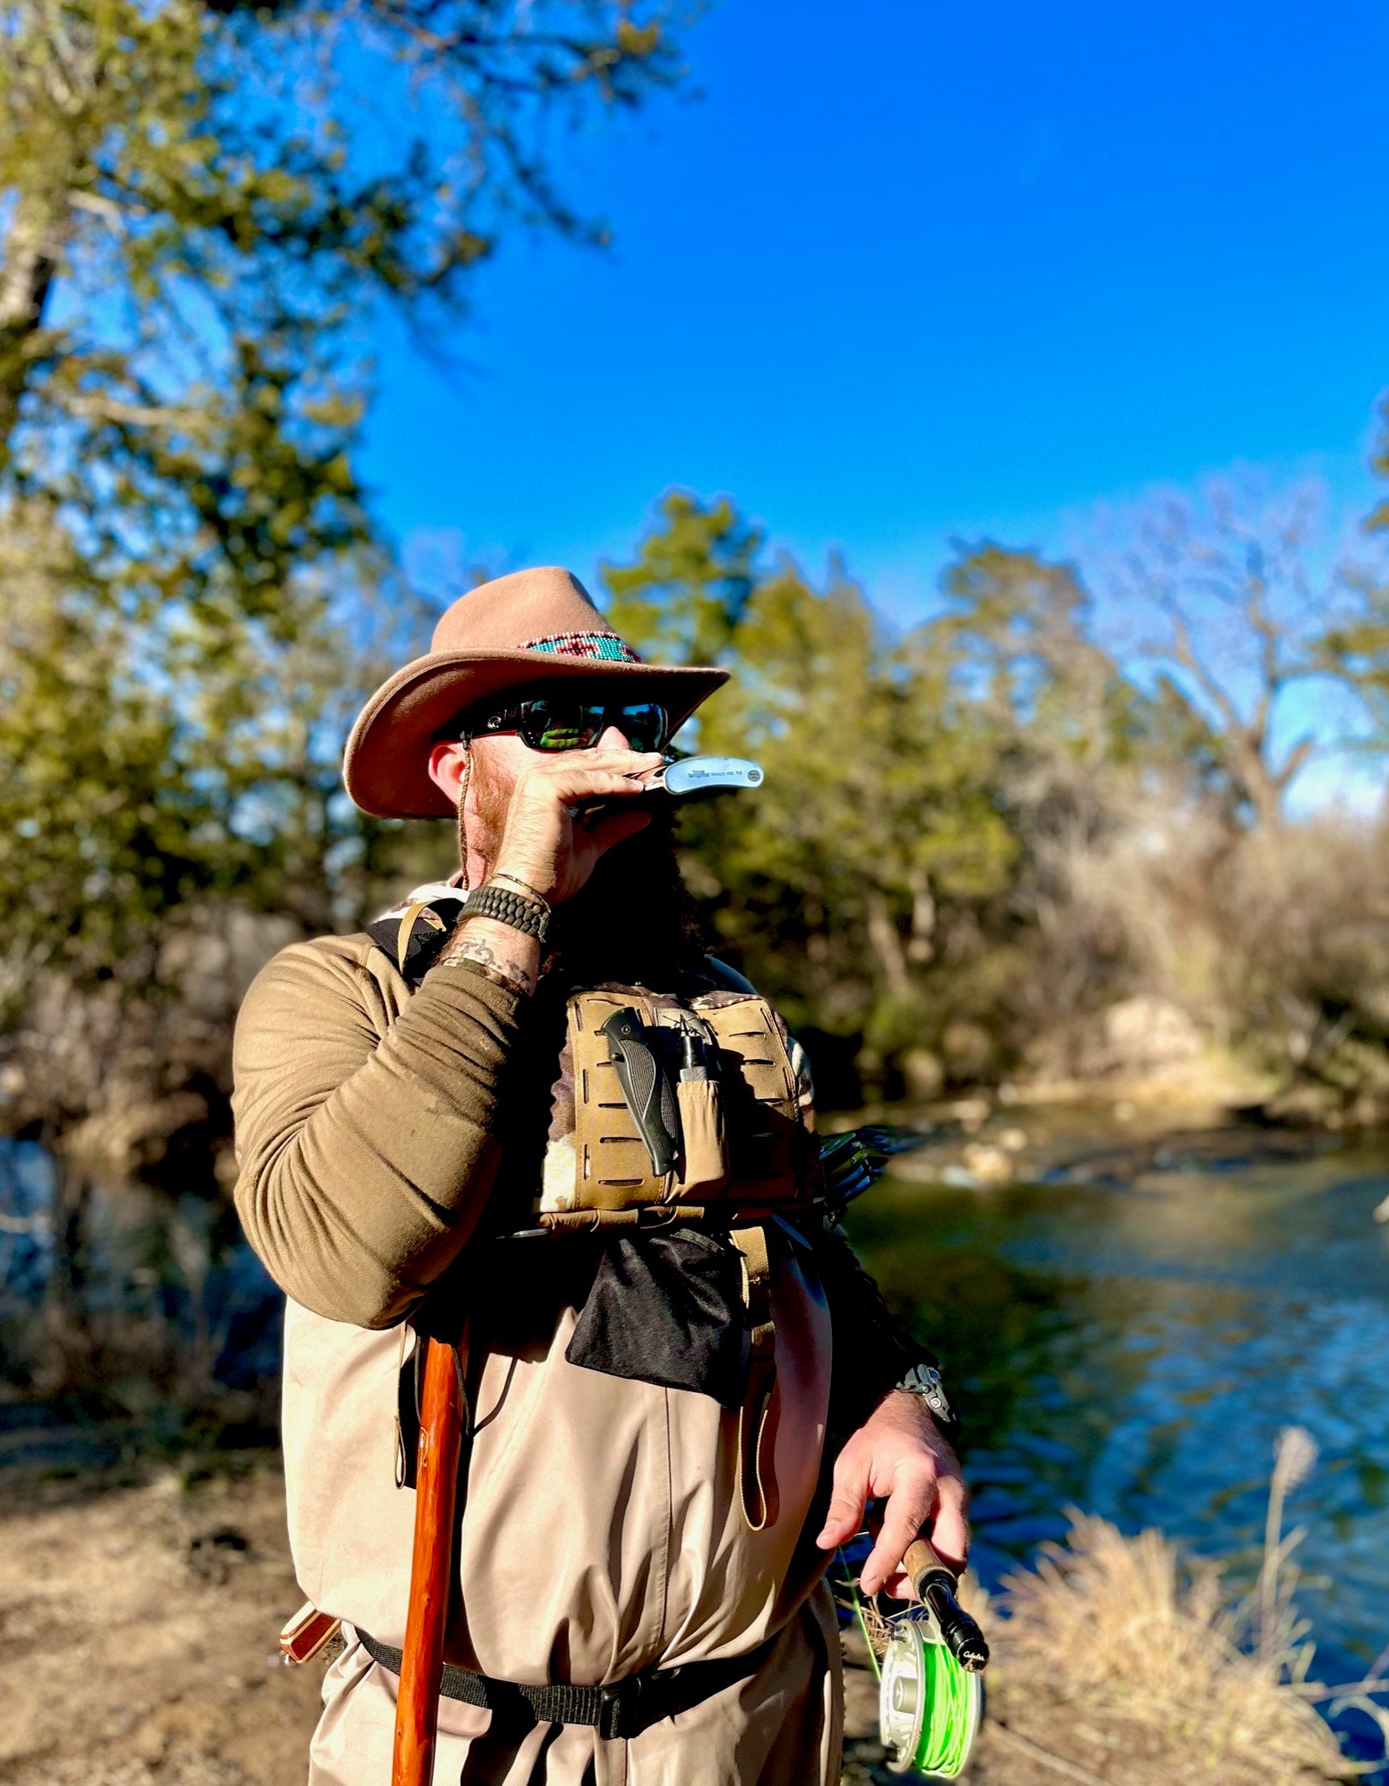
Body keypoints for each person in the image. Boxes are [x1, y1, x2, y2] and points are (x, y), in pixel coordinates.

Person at [231, 566, 968, 1786]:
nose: (619, 757)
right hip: (470, 1734)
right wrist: (520, 898)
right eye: (565, 727)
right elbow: (345, 1252)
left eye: (643, 727)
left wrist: (892, 1392)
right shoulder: (337, 992)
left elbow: (799, 1247)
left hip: (750, 1718)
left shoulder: (722, 999)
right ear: (456, 772)